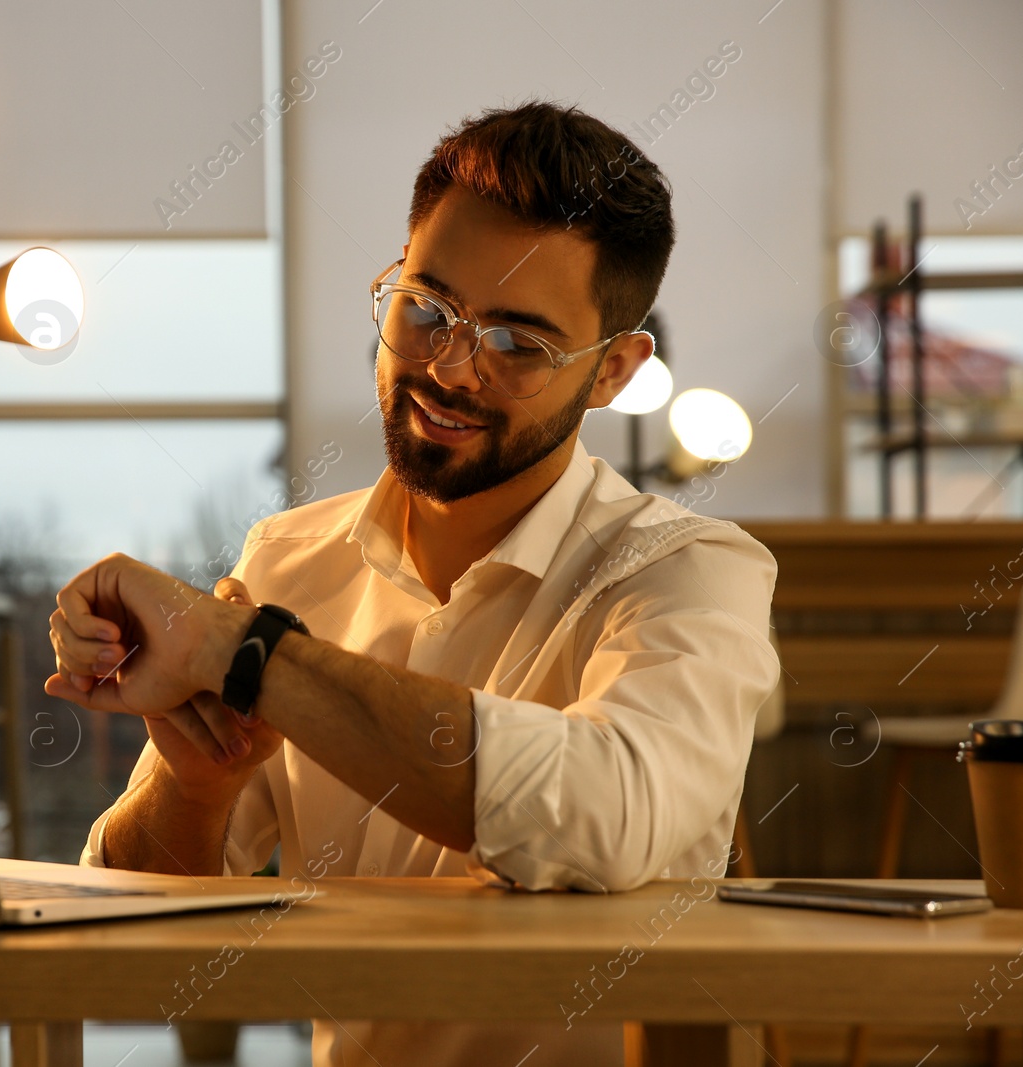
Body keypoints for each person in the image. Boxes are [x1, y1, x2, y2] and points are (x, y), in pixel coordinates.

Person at [46, 100, 779, 1066]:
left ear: (613, 372)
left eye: (519, 343)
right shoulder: (286, 560)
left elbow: (605, 812)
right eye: (428, 309)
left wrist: (246, 652)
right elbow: (132, 932)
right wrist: (195, 784)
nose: (450, 367)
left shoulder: (692, 571)